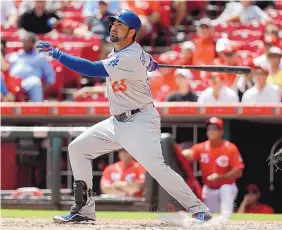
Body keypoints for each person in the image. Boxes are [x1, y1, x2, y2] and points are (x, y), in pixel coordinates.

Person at [36, 9, 212, 223]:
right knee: (78, 148)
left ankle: (198, 209)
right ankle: (84, 210)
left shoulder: (129, 56)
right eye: (113, 24)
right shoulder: (126, 53)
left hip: (140, 120)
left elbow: (90, 69)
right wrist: (148, 62)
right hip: (116, 121)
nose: (113, 27)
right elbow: (144, 60)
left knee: (157, 168)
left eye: (120, 25)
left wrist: (57, 54)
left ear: (132, 32)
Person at [182, 117, 244, 219]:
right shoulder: (201, 147)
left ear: (221, 132)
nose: (211, 131)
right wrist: (181, 151)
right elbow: (190, 155)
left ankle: (226, 216)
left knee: (226, 191)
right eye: (209, 128)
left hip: (226, 186)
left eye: (214, 128)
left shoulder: (230, 147)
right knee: (209, 217)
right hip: (209, 188)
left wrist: (220, 176)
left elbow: (239, 171)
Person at [6, 32, 55, 102]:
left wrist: (42, 89)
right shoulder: (13, 56)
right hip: (12, 81)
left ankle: (37, 109)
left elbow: (50, 76)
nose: (24, 43)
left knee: (35, 82)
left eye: (27, 41)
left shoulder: (40, 57)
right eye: (23, 41)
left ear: (33, 43)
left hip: (29, 81)